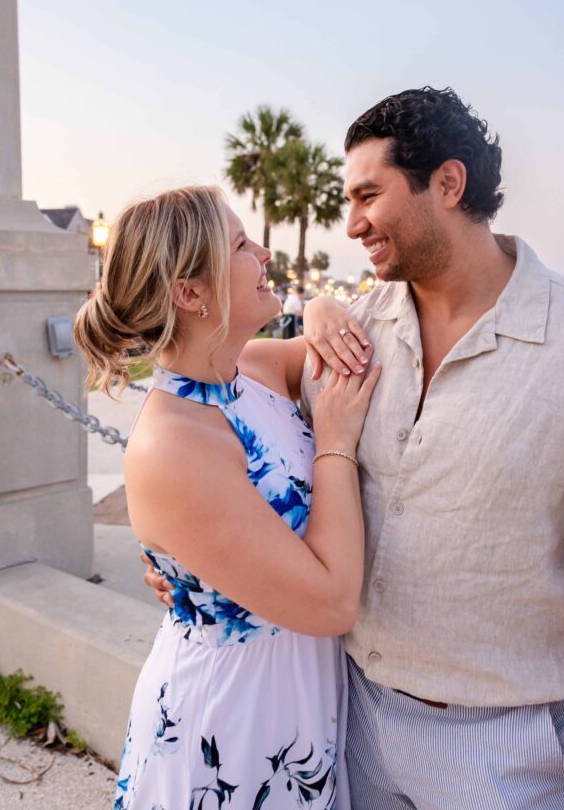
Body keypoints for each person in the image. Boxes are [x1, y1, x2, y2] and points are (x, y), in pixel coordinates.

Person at [144, 88, 564, 808]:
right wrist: (181, 558)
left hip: (502, 758)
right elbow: (214, 421)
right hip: (340, 723)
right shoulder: (347, 333)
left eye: (368, 196)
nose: (349, 224)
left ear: (447, 183)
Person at [74, 185, 381, 810]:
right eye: (241, 245)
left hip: (301, 701)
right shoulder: (173, 444)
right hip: (234, 724)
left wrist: (322, 306)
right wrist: (336, 442)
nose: (264, 252)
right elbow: (329, 605)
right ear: (191, 293)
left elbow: (318, 352)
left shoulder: (258, 370)